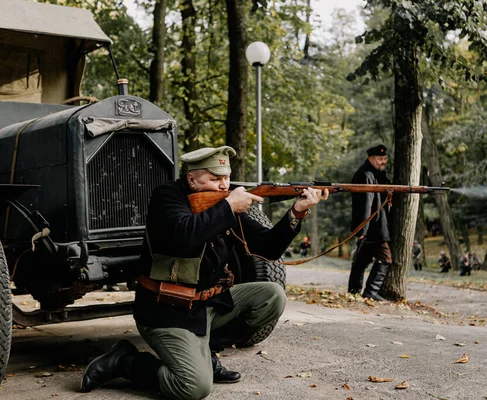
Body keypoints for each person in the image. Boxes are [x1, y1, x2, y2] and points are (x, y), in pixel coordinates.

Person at [80, 146, 328, 399]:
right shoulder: (167, 197)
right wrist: (229, 207)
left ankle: (207, 352)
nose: (224, 185)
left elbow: (268, 248)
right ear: (192, 178)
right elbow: (184, 236)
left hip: (207, 306)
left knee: (272, 296)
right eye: (215, 179)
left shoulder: (225, 204)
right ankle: (124, 361)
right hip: (167, 311)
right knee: (193, 387)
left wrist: (296, 212)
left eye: (227, 178)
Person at [347, 144, 392, 301]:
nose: (383, 161)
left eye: (385, 158)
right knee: (385, 258)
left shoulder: (374, 173)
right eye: (380, 159)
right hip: (373, 227)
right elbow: (366, 204)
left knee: (361, 260)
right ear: (371, 159)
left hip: (373, 226)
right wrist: (362, 231)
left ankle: (354, 291)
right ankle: (370, 292)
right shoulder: (366, 174)